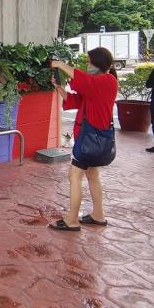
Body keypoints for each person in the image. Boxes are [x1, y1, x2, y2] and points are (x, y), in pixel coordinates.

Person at [49, 47, 119, 232]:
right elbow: (75, 101)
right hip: (95, 139)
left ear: (99, 63)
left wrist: (60, 64)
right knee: (92, 174)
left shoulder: (106, 80)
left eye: (89, 61)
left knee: (74, 175)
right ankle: (98, 215)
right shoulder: (96, 84)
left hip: (89, 139)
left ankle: (72, 219)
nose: (87, 65)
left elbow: (81, 80)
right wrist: (59, 87)